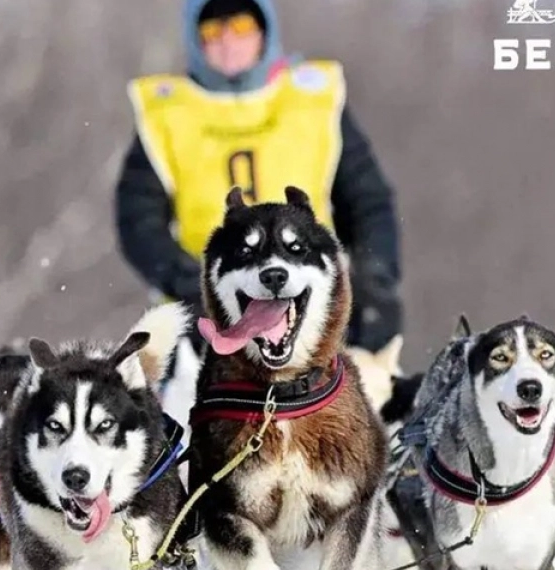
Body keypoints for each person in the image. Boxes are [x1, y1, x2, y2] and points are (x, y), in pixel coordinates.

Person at [114, 0, 404, 355]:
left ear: (264, 31)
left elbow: (367, 203)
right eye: (212, 30)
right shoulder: (165, 116)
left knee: (377, 399)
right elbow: (138, 222)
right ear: (195, 39)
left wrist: (375, 281)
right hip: (207, 320)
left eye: (240, 27)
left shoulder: (315, 102)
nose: (227, 41)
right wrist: (189, 282)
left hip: (315, 310)